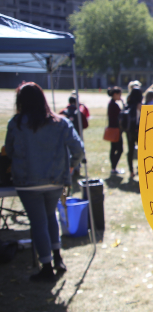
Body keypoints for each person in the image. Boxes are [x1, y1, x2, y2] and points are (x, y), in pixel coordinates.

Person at [5, 82, 84, 282]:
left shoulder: (16, 123)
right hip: (55, 180)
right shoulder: (60, 122)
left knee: (39, 222)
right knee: (50, 217)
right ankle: (57, 258)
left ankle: (47, 266)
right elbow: (79, 149)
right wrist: (71, 167)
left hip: (27, 181)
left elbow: (9, 150)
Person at [125, 86, 142, 178]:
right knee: (141, 151)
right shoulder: (139, 105)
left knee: (130, 150)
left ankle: (131, 170)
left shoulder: (128, 103)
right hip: (138, 130)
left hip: (129, 130)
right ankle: (140, 169)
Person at [107, 87, 124, 174]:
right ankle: (114, 167)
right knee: (119, 149)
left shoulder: (111, 104)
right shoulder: (114, 105)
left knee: (113, 148)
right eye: (119, 94)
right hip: (116, 130)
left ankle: (113, 167)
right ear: (115, 94)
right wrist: (123, 102)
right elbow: (122, 114)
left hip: (112, 129)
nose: (120, 96)